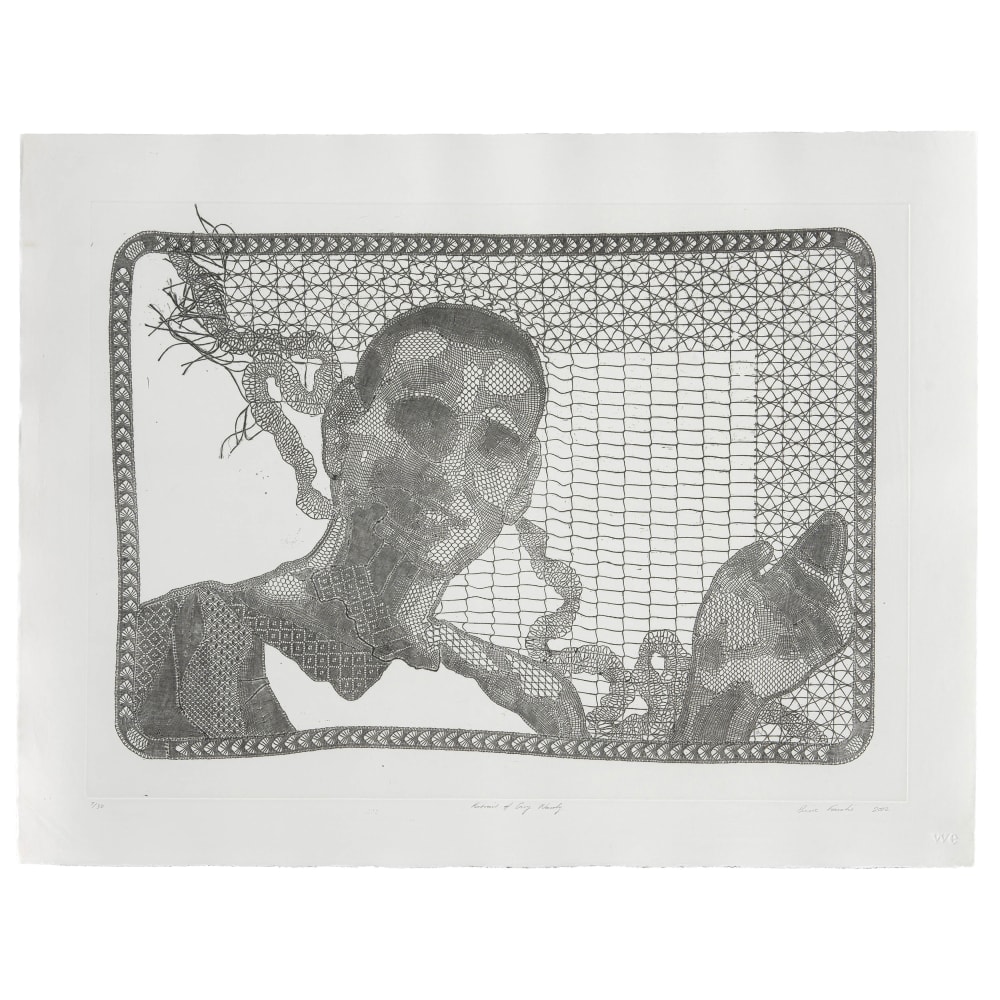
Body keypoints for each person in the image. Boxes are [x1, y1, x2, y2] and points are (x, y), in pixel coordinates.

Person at [133, 303, 852, 744]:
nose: (450, 470)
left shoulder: (536, 705)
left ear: (524, 482)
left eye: (497, 442)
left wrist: (725, 690)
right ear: (344, 429)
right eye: (422, 418)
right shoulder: (182, 636)